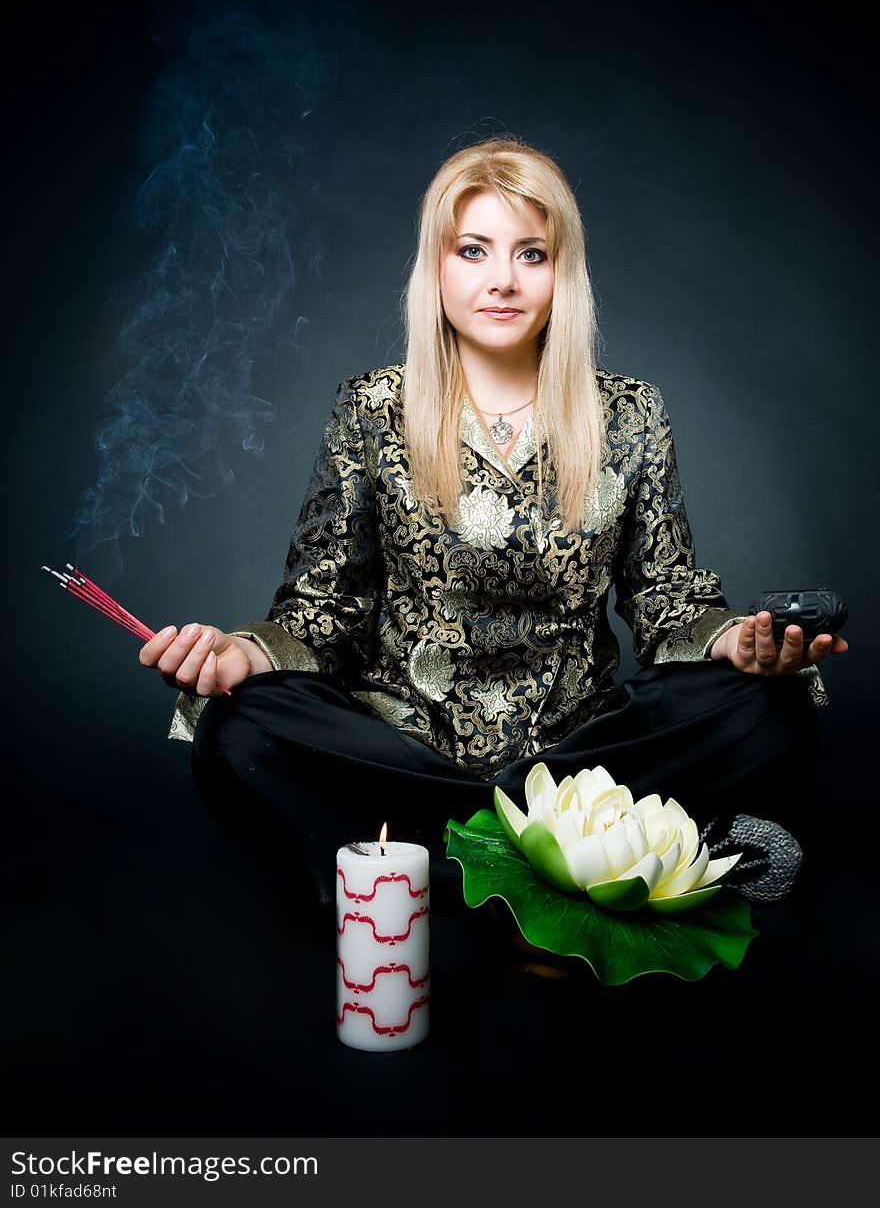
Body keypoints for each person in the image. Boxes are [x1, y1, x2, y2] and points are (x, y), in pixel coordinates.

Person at [140, 137, 847, 904]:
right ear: (436, 268)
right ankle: (583, 859)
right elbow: (323, 607)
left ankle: (434, 865)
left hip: (583, 758)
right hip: (402, 748)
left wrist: (738, 641)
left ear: (561, 272)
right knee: (240, 726)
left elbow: (665, 598)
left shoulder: (631, 413)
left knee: (773, 705)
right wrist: (241, 653)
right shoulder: (373, 408)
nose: (502, 280)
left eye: (531, 254)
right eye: (473, 250)